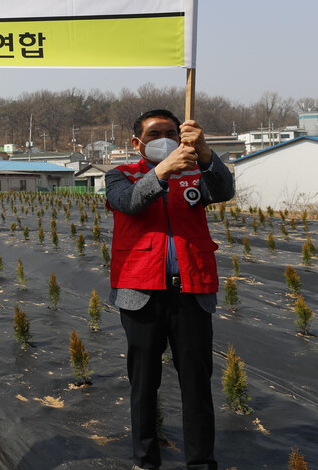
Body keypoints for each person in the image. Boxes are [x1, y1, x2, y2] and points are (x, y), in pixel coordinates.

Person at [105, 109, 234, 470]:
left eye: (172, 133)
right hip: (141, 292)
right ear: (137, 143)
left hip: (191, 292)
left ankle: (201, 462)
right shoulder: (120, 176)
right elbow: (129, 203)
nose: (165, 139)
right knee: (144, 384)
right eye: (156, 133)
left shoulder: (196, 174)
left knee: (196, 383)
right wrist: (163, 171)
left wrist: (205, 153)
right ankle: (146, 461)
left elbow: (224, 191)